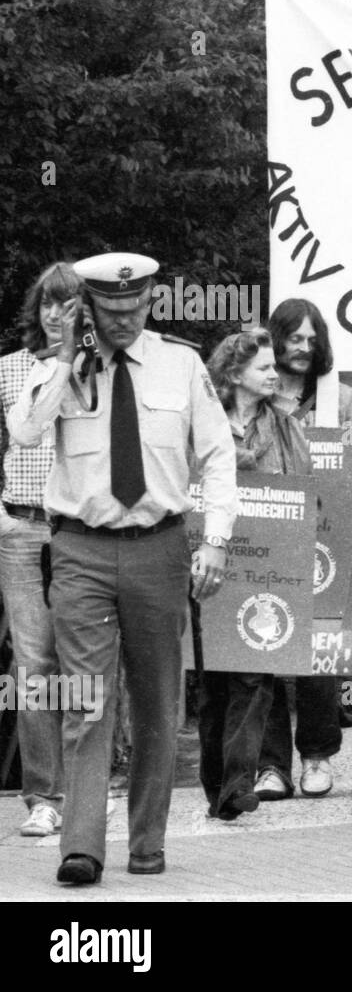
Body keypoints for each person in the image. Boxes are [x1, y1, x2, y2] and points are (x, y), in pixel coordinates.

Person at [7, 252, 236, 884]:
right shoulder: (62, 368)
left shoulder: (182, 363)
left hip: (159, 548)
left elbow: (217, 456)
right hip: (80, 550)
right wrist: (66, 360)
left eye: (136, 307)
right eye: (111, 311)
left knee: (159, 701)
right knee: (86, 700)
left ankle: (146, 842)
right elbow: (25, 430)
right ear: (90, 309)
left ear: (151, 301)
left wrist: (214, 540)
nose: (126, 319)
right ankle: (81, 846)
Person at [254, 298, 352, 800]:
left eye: (311, 339)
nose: (302, 347)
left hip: (325, 540)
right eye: (293, 338)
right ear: (275, 340)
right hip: (265, 535)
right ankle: (271, 765)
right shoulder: (255, 390)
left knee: (320, 657)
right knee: (263, 641)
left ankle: (317, 758)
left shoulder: (339, 398)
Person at [198, 330, 310, 820]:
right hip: (209, 562)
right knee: (213, 685)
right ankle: (215, 783)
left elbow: (306, 492)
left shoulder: (286, 428)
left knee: (254, 677)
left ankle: (237, 785)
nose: (274, 374)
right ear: (234, 372)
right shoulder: (202, 425)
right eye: (264, 367)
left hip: (266, 566)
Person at [0, 263, 79, 837]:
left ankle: (90, 786)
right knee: (33, 668)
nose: (56, 315)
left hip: (81, 532)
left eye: (69, 304)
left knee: (88, 662)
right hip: (22, 530)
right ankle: (44, 798)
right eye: (49, 304)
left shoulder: (97, 370)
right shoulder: (9, 370)